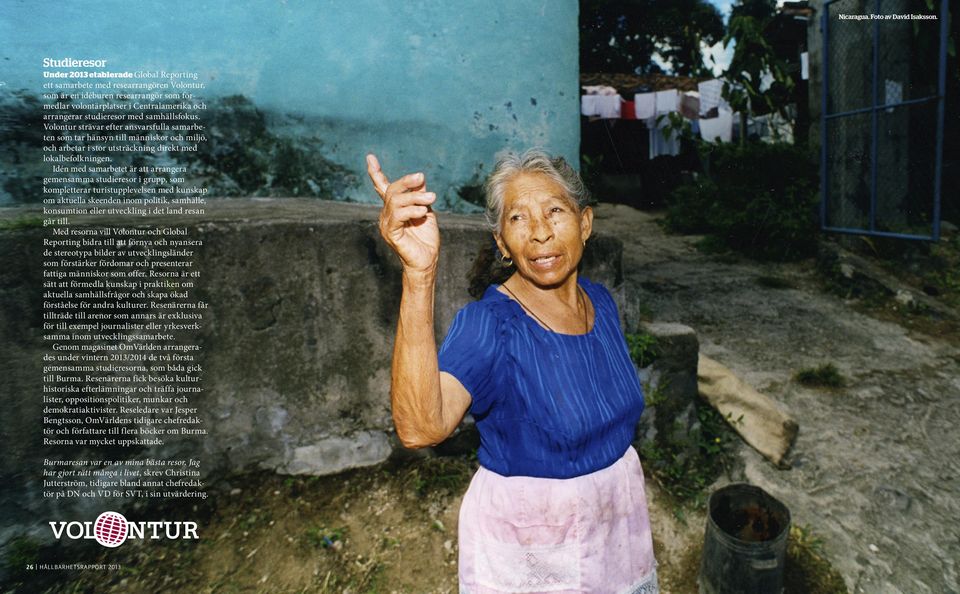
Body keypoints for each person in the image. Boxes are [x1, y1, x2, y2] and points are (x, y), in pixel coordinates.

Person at [366, 149, 658, 593]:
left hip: (617, 532)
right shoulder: (491, 326)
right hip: (535, 552)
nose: (540, 233)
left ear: (585, 223)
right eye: (518, 219)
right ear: (502, 243)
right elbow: (420, 429)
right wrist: (419, 274)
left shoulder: (602, 302)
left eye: (554, 211)